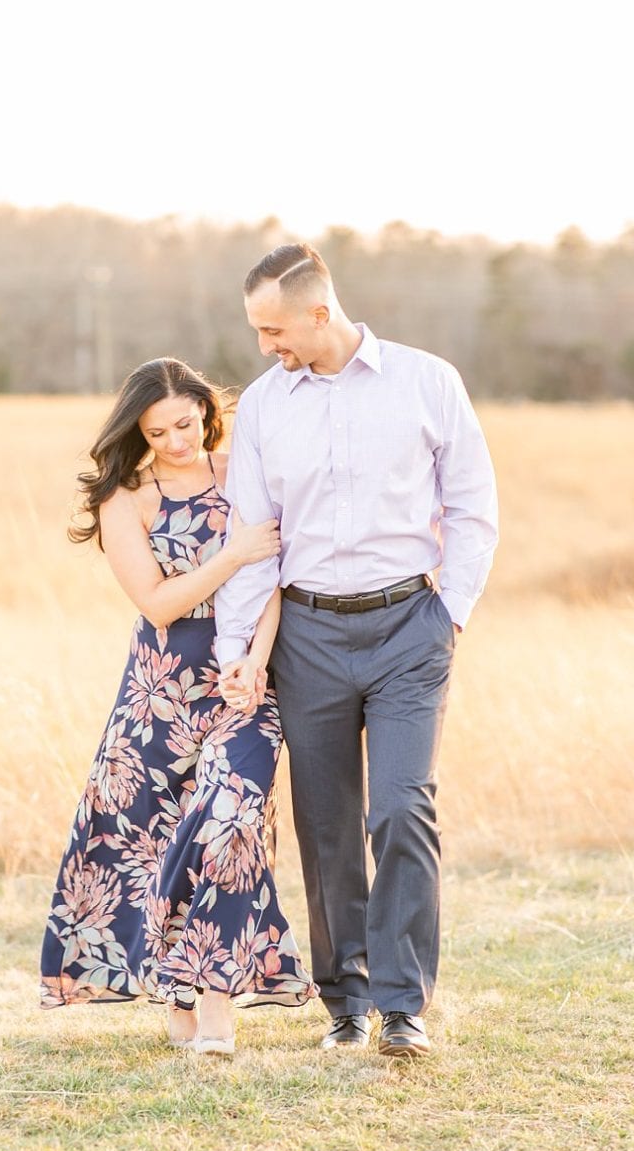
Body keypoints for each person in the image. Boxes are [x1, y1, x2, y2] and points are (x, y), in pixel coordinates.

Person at [213, 242, 498, 1059]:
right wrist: (242, 647)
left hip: (411, 625)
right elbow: (254, 535)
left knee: (402, 806)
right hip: (306, 634)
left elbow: (474, 504)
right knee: (327, 821)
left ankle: (404, 1005)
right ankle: (346, 1000)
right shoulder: (266, 406)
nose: (266, 346)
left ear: (318, 310)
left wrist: (452, 612)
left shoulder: (427, 381)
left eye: (273, 329)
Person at [40, 357, 313, 1053]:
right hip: (160, 693)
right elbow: (159, 602)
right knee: (154, 839)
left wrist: (256, 658)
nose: (176, 441)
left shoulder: (239, 472)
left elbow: (274, 576)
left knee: (232, 822)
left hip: (245, 682)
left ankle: (217, 1001)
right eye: (158, 432)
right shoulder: (125, 496)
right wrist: (232, 556)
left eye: (185, 424)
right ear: (140, 431)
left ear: (204, 409)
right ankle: (177, 989)